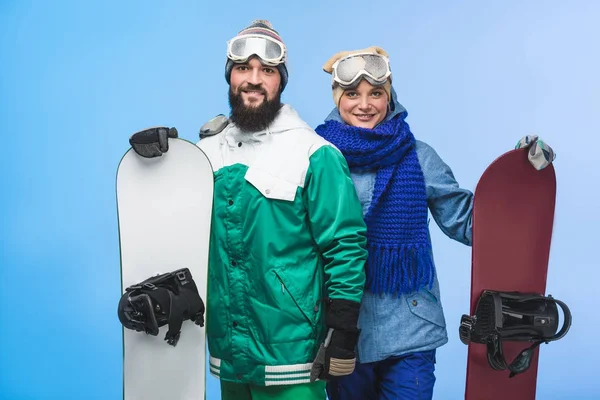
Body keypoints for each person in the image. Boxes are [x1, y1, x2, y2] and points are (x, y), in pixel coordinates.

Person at [127, 21, 368, 400]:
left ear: (280, 81)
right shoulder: (206, 154)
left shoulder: (314, 154)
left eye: (267, 71)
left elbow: (345, 246)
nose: (254, 80)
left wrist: (343, 329)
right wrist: (162, 164)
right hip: (229, 353)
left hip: (292, 355)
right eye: (243, 69)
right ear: (230, 76)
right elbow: (181, 228)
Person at [313, 46, 555, 400]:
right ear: (338, 98)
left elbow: (470, 224)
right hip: (347, 328)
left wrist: (518, 176)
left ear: (389, 95)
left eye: (376, 93)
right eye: (352, 94)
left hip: (412, 327)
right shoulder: (318, 156)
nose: (364, 104)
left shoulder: (418, 156)